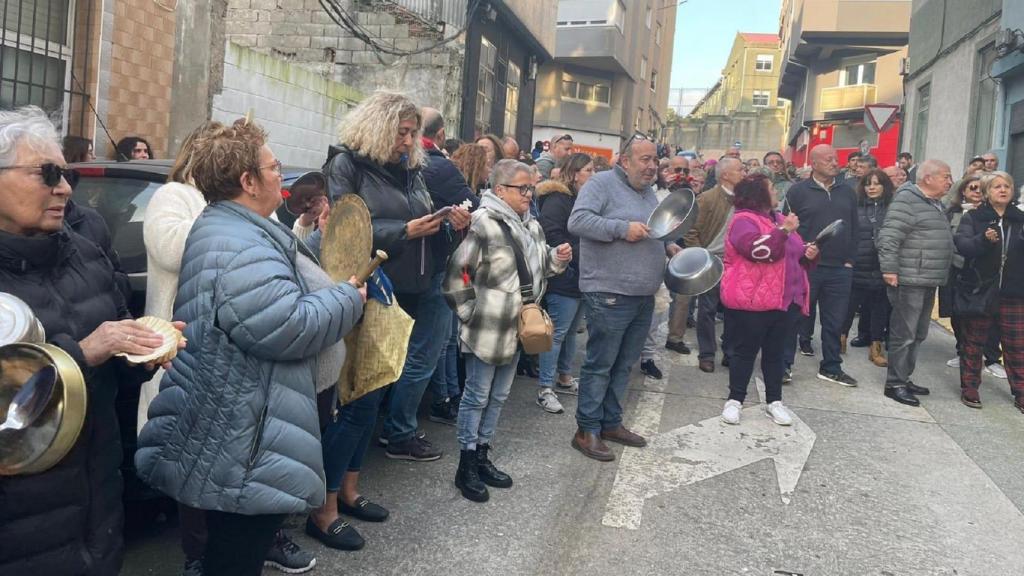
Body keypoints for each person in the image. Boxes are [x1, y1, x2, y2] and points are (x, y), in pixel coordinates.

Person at [135, 120, 365, 576]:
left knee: (234, 548)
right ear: (248, 181)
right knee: (236, 554)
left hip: (243, 419)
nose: (282, 176)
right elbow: (285, 324)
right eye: (274, 167)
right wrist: (347, 299)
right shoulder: (238, 242)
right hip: (245, 428)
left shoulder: (239, 229)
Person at [0, 106, 168, 576]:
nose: (65, 189)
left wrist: (141, 351)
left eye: (67, 174)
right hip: (19, 530)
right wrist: (81, 355)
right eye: (47, 174)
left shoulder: (85, 254)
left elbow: (114, 367)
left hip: (98, 509)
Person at [326, 92, 470, 462]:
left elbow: (420, 222)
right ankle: (343, 476)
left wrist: (448, 224)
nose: (407, 141)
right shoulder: (346, 164)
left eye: (412, 133)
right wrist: (404, 231)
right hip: (376, 288)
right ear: (377, 127)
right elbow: (344, 232)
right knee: (365, 389)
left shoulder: (412, 168)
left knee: (398, 371)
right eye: (400, 132)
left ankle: (364, 464)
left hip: (419, 283)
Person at [445, 159, 571, 501]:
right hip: (487, 330)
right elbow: (459, 274)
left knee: (499, 396)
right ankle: (466, 464)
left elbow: (541, 267)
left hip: (519, 328)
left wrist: (557, 258)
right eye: (522, 188)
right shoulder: (482, 223)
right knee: (477, 396)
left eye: (531, 188)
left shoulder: (531, 225)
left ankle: (482, 454)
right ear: (500, 190)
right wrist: (471, 316)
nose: (529, 194)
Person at [567, 134, 680, 462]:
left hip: (643, 293)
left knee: (624, 364)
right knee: (600, 364)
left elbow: (652, 231)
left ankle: (610, 423)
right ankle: (586, 430)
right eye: (645, 159)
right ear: (625, 160)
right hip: (609, 292)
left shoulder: (648, 193)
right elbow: (578, 221)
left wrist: (668, 246)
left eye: (654, 160)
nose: (652, 166)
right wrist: (621, 228)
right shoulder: (601, 183)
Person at [719, 173, 818, 425]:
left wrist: (809, 253)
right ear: (758, 194)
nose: (776, 192)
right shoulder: (743, 220)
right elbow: (757, 250)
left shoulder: (780, 219)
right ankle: (735, 400)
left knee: (776, 354)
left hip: (786, 300)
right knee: (744, 352)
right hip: (754, 301)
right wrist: (784, 231)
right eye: (772, 188)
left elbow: (794, 254)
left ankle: (774, 401)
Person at [875, 159, 955, 406]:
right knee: (905, 333)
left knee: (918, 333)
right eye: (946, 176)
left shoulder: (935, 203)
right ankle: (895, 383)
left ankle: (904, 377)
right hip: (909, 278)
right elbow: (889, 237)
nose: (950, 181)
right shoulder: (907, 200)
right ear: (928, 178)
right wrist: (889, 269)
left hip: (927, 277)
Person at [420, 108, 480, 426]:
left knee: (435, 342)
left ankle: (444, 395)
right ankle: (441, 399)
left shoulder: (410, 164)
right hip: (437, 263)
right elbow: (474, 206)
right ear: (441, 134)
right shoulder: (439, 167)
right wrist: (455, 215)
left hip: (417, 264)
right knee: (437, 343)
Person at [784, 144, 859, 387]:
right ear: (814, 163)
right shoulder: (797, 192)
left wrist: (850, 260)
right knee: (794, 318)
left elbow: (855, 227)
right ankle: (783, 365)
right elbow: (787, 228)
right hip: (806, 266)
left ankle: (831, 367)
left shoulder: (848, 192)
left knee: (834, 321)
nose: (835, 163)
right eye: (828, 159)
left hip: (839, 268)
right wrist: (798, 255)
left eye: (836, 159)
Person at [953, 171, 1024, 412]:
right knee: (973, 342)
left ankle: (1021, 392)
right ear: (986, 192)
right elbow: (963, 246)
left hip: (1014, 292)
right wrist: (983, 240)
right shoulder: (974, 217)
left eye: (1007, 186)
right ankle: (970, 388)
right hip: (980, 288)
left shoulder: (1020, 219)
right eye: (996, 186)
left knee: (1017, 345)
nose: (1003, 190)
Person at [536, 152, 592, 414]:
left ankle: (565, 377)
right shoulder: (558, 200)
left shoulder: (584, 200)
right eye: (588, 170)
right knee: (557, 333)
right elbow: (552, 235)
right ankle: (545, 388)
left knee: (570, 332)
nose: (593, 175)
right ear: (574, 174)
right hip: (564, 275)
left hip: (581, 276)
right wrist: (580, 256)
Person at [683, 156, 746, 373]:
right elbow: (691, 231)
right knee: (707, 310)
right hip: (711, 260)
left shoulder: (745, 199)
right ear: (725, 175)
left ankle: (730, 351)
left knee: (734, 310)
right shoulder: (707, 198)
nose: (744, 173)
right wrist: (702, 258)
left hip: (736, 263)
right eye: (740, 170)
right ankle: (707, 354)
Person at [939, 175, 1005, 376]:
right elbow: (950, 240)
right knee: (959, 313)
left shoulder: (994, 214)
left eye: (979, 188)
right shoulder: (954, 213)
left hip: (985, 272)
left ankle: (991, 357)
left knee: (991, 316)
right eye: (972, 188)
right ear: (963, 192)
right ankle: (962, 351)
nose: (976, 191)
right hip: (957, 268)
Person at [841, 169, 894, 368]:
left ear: (884, 186)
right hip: (857, 264)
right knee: (849, 306)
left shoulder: (892, 209)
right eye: (867, 184)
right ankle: (840, 339)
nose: (871, 187)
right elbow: (846, 234)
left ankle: (876, 347)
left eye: (876, 183)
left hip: (882, 265)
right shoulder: (855, 207)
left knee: (880, 308)